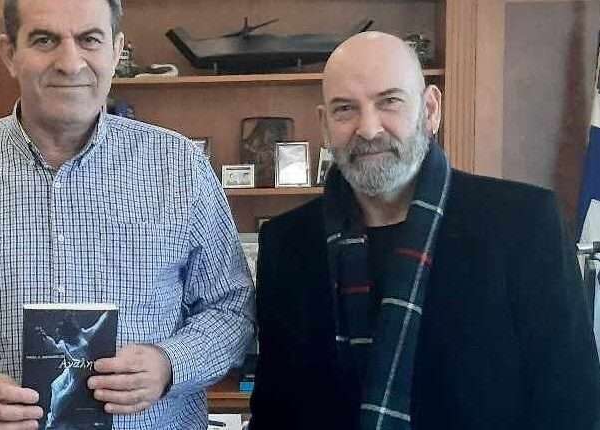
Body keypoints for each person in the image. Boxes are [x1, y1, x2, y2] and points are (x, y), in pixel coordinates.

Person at [0, 0, 254, 429]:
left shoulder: (180, 167)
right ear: (9, 53)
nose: (70, 62)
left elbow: (232, 308)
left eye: (89, 39)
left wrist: (170, 364)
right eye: (45, 40)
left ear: (115, 51)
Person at [249, 31, 600, 430]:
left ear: (430, 109)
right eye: (345, 109)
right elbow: (275, 411)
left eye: (389, 101)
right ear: (325, 125)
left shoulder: (523, 224)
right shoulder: (286, 244)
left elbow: (573, 406)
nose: (369, 129)